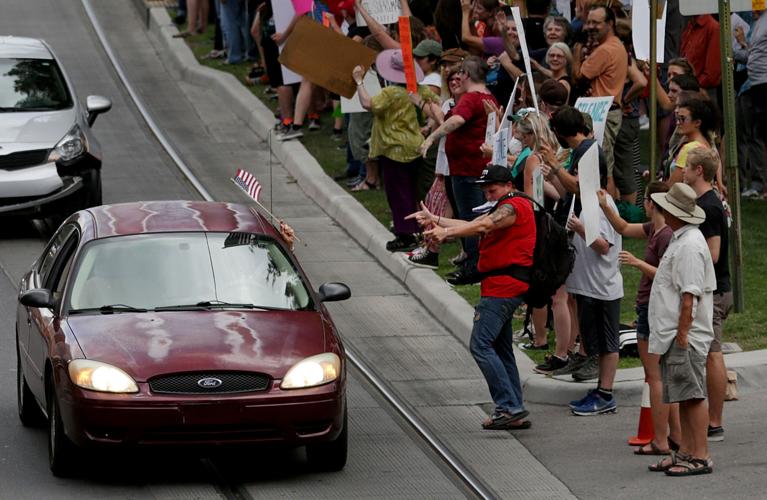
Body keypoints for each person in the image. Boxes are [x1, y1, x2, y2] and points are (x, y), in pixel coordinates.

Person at [406, 165, 535, 430]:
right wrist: (436, 219)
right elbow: (474, 224)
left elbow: (485, 224)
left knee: (480, 345)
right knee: (500, 348)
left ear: (508, 185)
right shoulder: (504, 204)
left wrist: (446, 233)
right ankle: (514, 406)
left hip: (504, 287)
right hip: (500, 284)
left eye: (492, 189)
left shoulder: (513, 207)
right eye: (485, 190)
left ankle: (508, 407)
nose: (488, 195)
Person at [598, 182, 681, 454]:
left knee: (655, 377)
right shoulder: (653, 229)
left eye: (644, 200)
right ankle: (675, 436)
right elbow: (622, 227)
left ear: (650, 203)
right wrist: (604, 206)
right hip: (649, 308)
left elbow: (669, 278)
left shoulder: (665, 236)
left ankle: (660, 439)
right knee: (660, 376)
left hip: (653, 309)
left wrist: (637, 263)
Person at [647, 182, 715, 477]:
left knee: (692, 395)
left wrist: (683, 335)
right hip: (676, 333)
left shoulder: (688, 245)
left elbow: (689, 296)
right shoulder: (682, 239)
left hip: (683, 334)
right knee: (685, 395)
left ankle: (700, 455)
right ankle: (686, 451)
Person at [420, 56, 498, 285]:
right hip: (470, 168)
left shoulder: (472, 98)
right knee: (471, 216)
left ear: (466, 75)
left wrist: (432, 137)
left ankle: (474, 268)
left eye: (460, 74)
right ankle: (472, 263)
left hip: (467, 170)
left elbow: (456, 120)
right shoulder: (487, 96)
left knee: (470, 219)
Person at [352, 50, 438, 253]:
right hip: (415, 145)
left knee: (398, 194)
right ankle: (417, 229)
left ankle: (405, 234)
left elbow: (368, 104)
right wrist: (429, 125)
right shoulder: (419, 89)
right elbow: (436, 105)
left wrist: (358, 81)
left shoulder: (390, 94)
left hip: (393, 149)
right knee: (413, 192)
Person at [682, 146, 732, 444]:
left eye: (687, 166)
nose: (683, 170)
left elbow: (712, 254)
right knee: (709, 353)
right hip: (711, 289)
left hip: (713, 290)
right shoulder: (706, 202)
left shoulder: (710, 206)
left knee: (713, 354)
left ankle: (714, 422)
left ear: (699, 171)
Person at [573, 4, 628, 198]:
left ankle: (610, 219)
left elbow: (579, 76)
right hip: (606, 111)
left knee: (604, 170)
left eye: (596, 23)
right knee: (604, 167)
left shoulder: (606, 50)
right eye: (588, 22)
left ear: (610, 23)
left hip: (602, 114)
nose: (590, 27)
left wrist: (577, 53)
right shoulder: (616, 45)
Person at [680, 14, 722, 103]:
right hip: (688, 90)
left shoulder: (713, 27)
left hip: (702, 93)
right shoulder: (689, 26)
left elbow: (712, 75)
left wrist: (690, 85)